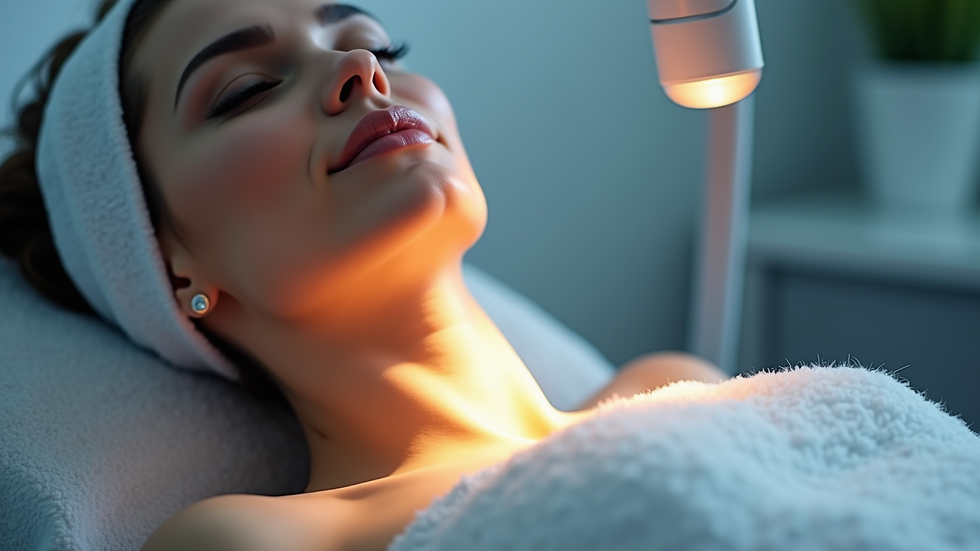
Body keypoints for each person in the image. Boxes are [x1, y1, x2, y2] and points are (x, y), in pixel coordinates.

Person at [0, 0, 727, 548]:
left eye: (377, 44)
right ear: (162, 257)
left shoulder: (673, 388)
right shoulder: (255, 541)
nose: (361, 70)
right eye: (247, 88)